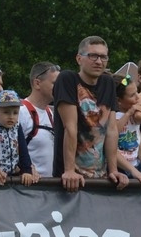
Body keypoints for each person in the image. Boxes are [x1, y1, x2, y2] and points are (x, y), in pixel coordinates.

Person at [53, 36, 127, 191]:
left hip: (101, 179)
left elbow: (112, 130)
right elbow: (70, 127)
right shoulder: (67, 79)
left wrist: (114, 170)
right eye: (93, 56)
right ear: (79, 59)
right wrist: (69, 171)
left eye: (103, 57)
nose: (99, 61)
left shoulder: (108, 83)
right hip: (70, 179)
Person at [0, 89, 39, 185]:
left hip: (12, 175)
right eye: (6, 112)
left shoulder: (16, 127)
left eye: (15, 113)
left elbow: (23, 151)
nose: (11, 117)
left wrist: (27, 171)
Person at [20, 61, 59, 177]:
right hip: (30, 189)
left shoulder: (51, 113)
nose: (59, 88)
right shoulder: (21, 112)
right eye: (55, 84)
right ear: (37, 83)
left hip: (49, 188)